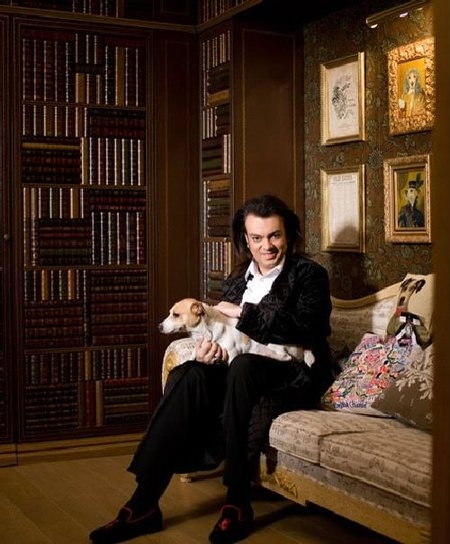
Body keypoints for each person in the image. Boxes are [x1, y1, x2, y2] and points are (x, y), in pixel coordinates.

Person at [89, 194, 335, 544]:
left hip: (292, 372)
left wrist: (243, 314)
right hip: (240, 368)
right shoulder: (237, 280)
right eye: (257, 238)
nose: (266, 246)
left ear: (288, 234)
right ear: (245, 239)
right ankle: (143, 503)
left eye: (275, 236)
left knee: (243, 369)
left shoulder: (309, 274)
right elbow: (222, 334)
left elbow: (310, 328)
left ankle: (237, 501)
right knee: (188, 373)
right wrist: (209, 352)